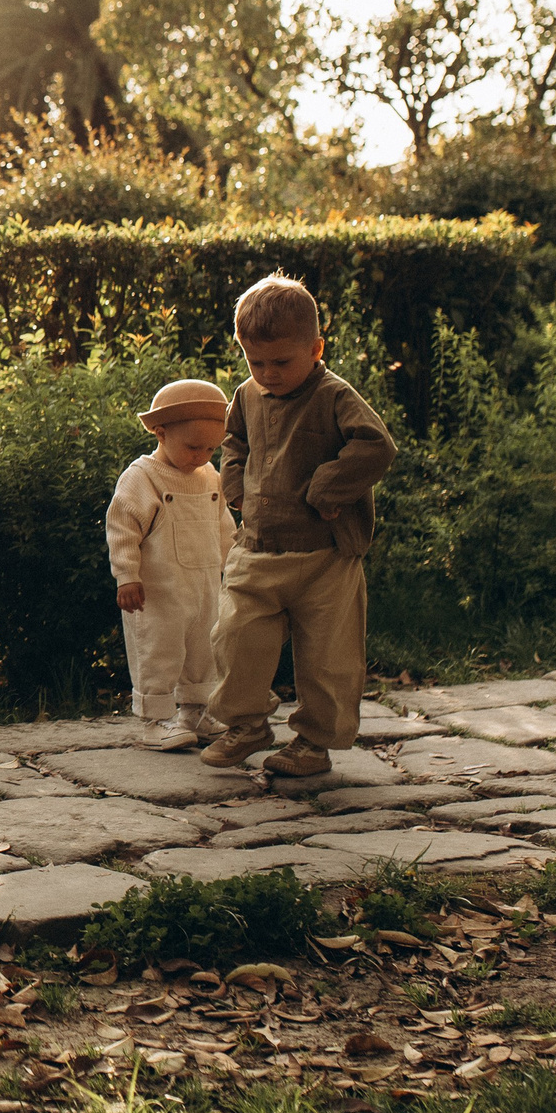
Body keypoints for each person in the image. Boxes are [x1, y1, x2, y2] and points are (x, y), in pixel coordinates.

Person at [199, 274, 396, 777]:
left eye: (281, 362)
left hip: (326, 556)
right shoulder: (246, 395)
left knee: (329, 656)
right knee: (236, 637)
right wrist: (238, 488)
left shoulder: (333, 394)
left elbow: (376, 445)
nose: (268, 373)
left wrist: (328, 486)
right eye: (254, 360)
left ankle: (312, 744)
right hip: (258, 549)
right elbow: (233, 444)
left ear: (316, 347)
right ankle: (246, 724)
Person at [105, 379, 234, 751]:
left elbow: (224, 526)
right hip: (157, 591)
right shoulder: (142, 478)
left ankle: (196, 712)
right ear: (160, 432)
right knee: (158, 650)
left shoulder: (211, 477)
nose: (202, 456)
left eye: (211, 448)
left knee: (204, 648)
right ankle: (155, 720)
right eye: (193, 446)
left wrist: (235, 564)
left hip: (205, 583)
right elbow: (122, 528)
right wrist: (126, 575)